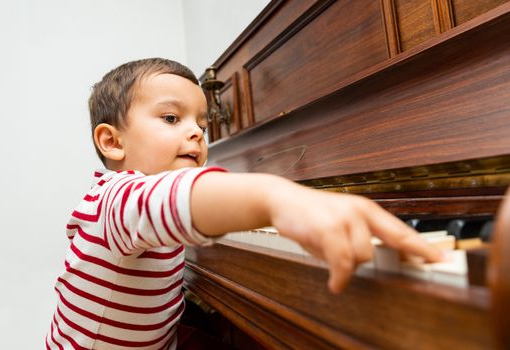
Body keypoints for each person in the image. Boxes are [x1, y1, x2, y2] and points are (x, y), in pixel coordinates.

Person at [46, 58, 443, 350]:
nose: (196, 135)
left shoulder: (151, 204)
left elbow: (195, 204)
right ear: (112, 142)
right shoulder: (113, 200)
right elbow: (173, 200)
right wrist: (276, 197)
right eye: (171, 118)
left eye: (202, 125)